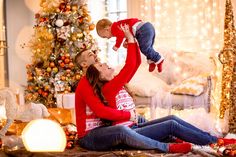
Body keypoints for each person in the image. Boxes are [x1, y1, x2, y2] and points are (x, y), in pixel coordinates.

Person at [82, 24, 236, 152]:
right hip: (131, 131)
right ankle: (211, 142)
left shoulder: (117, 82)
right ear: (100, 76)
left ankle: (213, 139)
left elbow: (133, 65)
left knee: (172, 119)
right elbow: (130, 66)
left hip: (135, 125)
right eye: (101, 66)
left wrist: (133, 42)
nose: (106, 64)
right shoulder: (109, 87)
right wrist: (129, 39)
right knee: (171, 125)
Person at [96, 18, 164, 73]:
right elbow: (128, 32)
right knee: (149, 48)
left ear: (106, 29)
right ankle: (151, 61)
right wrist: (127, 41)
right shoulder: (118, 25)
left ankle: (159, 59)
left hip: (143, 29)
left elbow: (120, 36)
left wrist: (117, 46)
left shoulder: (114, 28)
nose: (107, 38)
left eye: (104, 36)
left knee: (144, 48)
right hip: (147, 27)